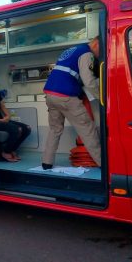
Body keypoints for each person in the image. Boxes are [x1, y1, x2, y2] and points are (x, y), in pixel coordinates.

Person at [42, 36, 101, 169]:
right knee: (88, 129)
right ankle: (104, 164)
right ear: (97, 44)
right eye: (101, 51)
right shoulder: (87, 53)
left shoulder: (72, 50)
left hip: (50, 95)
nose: (99, 55)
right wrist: (101, 98)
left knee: (55, 129)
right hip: (66, 96)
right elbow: (89, 81)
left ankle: (46, 162)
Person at [0, 76, 31, 162]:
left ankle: (12, 149)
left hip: (1, 121)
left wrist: (7, 116)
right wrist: (1, 120)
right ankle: (6, 152)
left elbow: (2, 106)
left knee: (27, 128)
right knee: (16, 129)